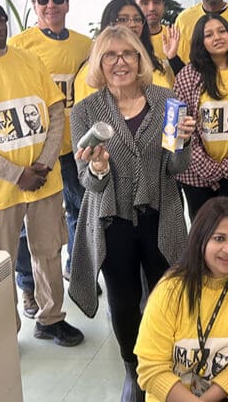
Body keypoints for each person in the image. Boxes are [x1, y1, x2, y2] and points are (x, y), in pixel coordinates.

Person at [69, 25, 195, 400]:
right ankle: (133, 369)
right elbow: (87, 184)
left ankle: (165, 364)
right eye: (111, 55)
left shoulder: (167, 99)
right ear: (100, 63)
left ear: (140, 60)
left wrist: (182, 143)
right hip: (113, 216)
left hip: (162, 211)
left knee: (165, 293)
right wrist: (100, 168)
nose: (120, 62)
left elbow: (176, 168)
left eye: (128, 54)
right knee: (123, 298)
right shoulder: (85, 110)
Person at [0, 0, 84, 346]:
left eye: (1, 19)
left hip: (44, 180)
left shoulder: (28, 60)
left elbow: (56, 111)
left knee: (48, 251)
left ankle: (51, 318)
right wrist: (16, 174)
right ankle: (3, 336)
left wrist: (43, 163)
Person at [8, 0, 93, 314]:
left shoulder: (84, 45)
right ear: (34, 6)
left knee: (78, 212)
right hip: (37, 152)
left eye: (57, 0)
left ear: (67, 4)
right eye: (43, 1)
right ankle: (28, 287)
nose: (50, 6)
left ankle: (76, 270)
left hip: (75, 147)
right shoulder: (20, 46)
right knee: (31, 225)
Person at [135, 197, 228, 402]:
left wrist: (208, 398)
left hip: (226, 395)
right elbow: (150, 367)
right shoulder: (170, 289)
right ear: (200, 239)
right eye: (219, 238)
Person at [173, 13, 228, 220]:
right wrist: (207, 167)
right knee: (204, 236)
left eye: (222, 31)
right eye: (208, 34)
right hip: (196, 176)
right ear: (200, 42)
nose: (217, 37)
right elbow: (176, 132)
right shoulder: (186, 75)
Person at [74, 0, 175, 104]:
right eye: (123, 19)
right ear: (110, 23)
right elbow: (85, 115)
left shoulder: (156, 64)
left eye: (137, 19)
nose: (132, 24)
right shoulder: (91, 70)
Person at [131, 0, 185, 75]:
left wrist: (173, 58)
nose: (151, 8)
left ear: (163, 5)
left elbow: (187, 76)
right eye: (144, 3)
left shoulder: (175, 37)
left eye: (156, 2)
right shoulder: (129, 41)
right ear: (134, 7)